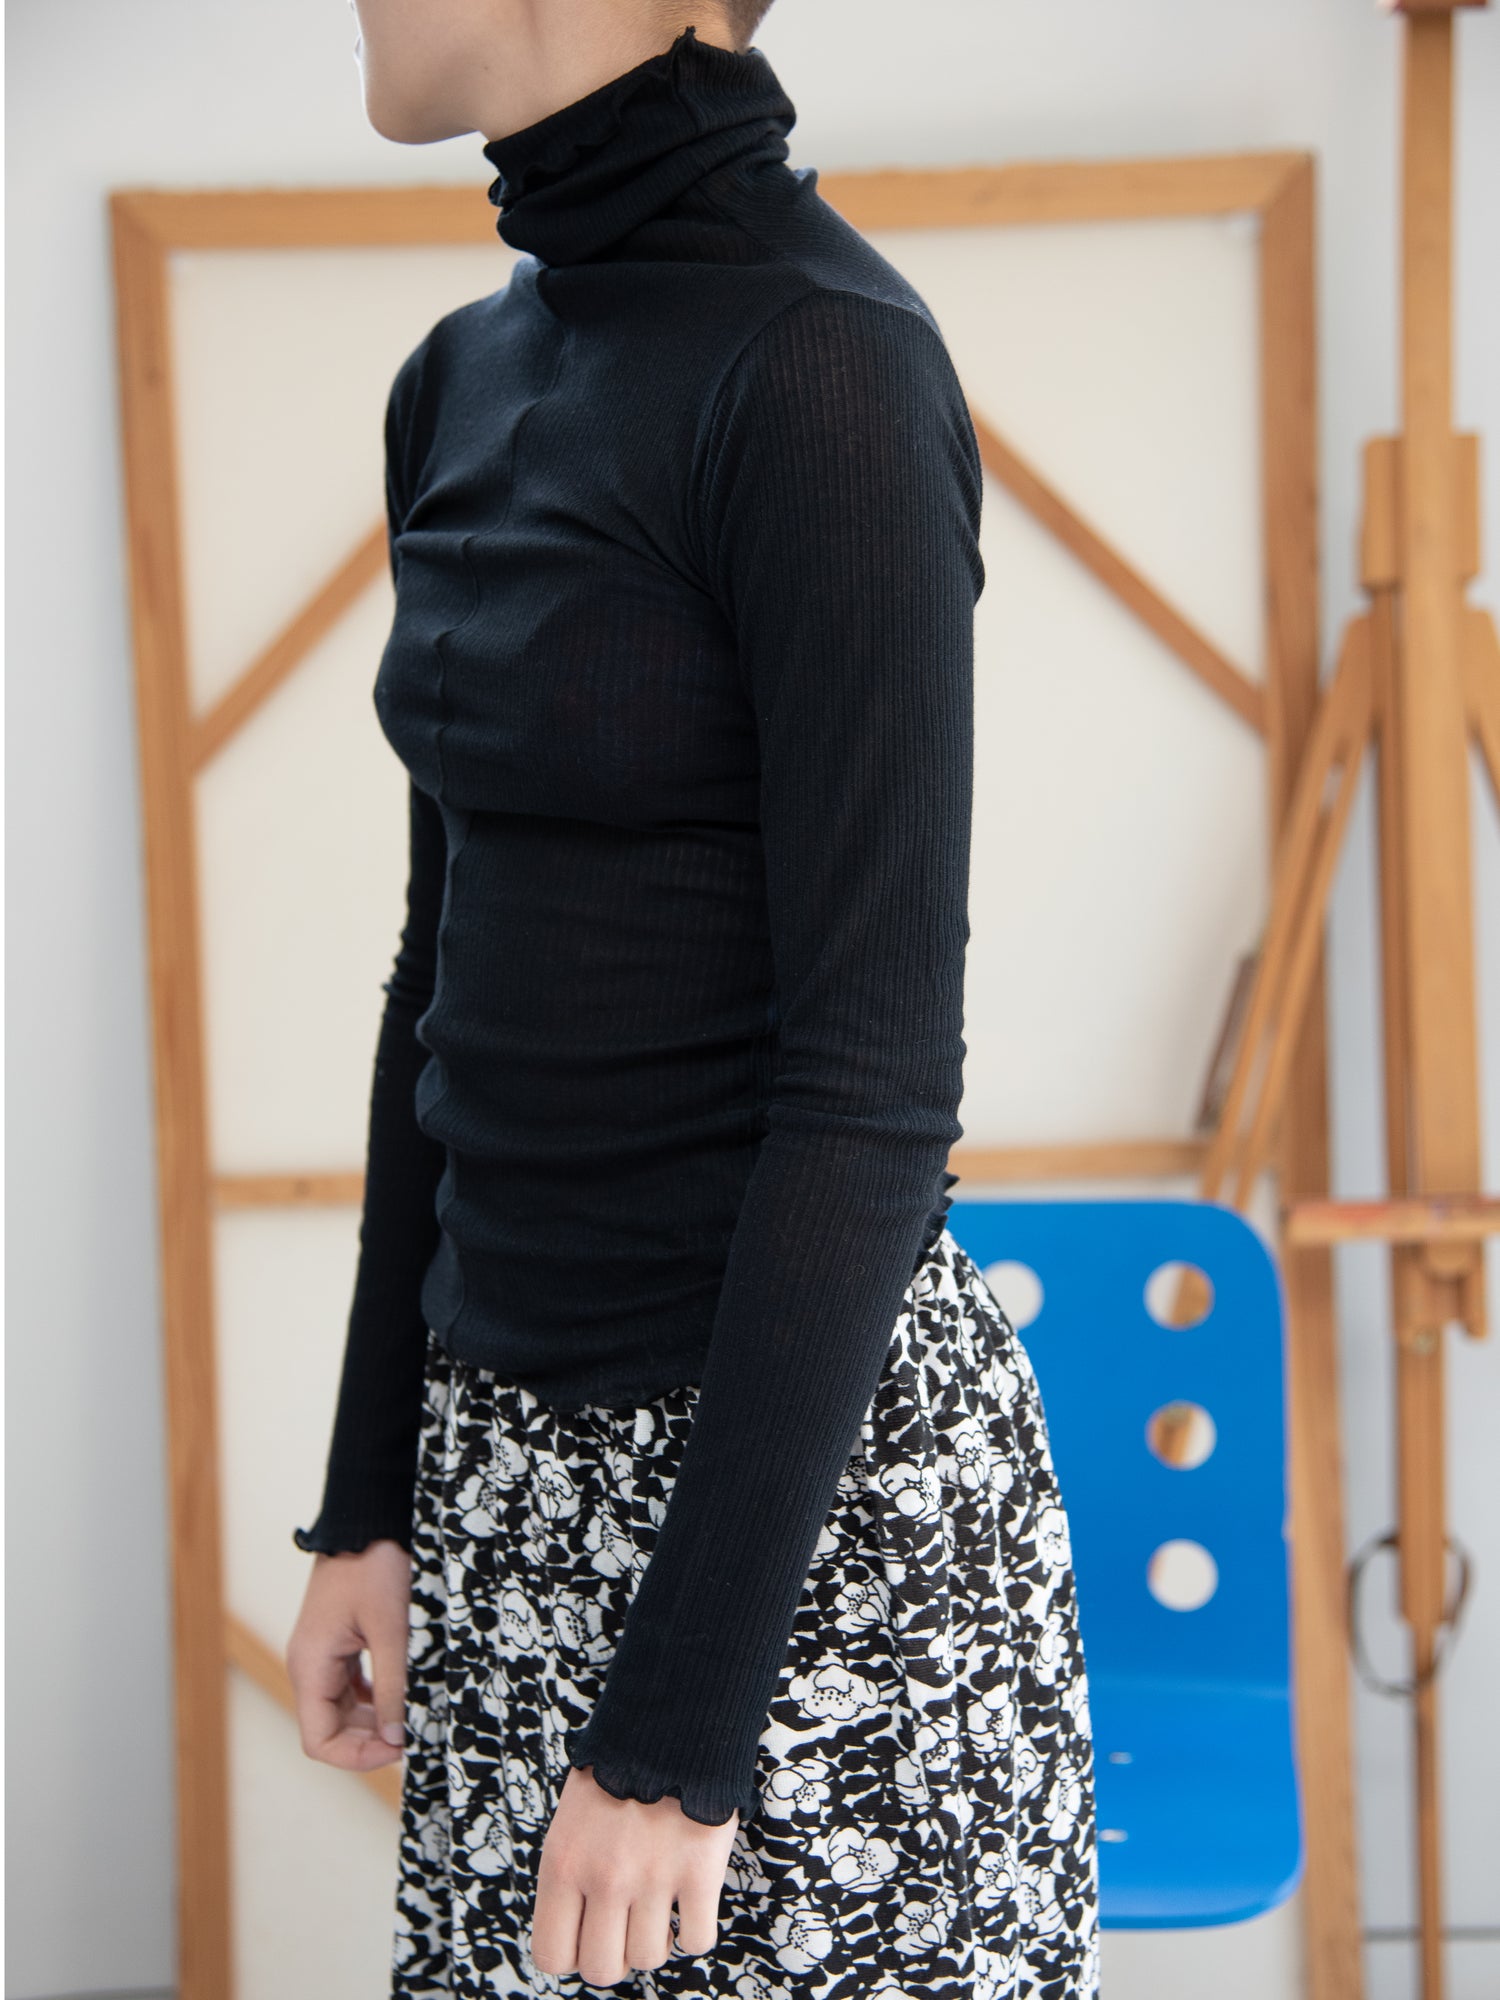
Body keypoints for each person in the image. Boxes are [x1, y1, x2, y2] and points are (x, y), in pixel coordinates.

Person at [285, 2, 1101, 1994]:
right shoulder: (457, 380)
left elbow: (874, 1084)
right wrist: (370, 1493)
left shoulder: (826, 365)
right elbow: (436, 980)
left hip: (794, 1536)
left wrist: (672, 1735)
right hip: (503, 1480)